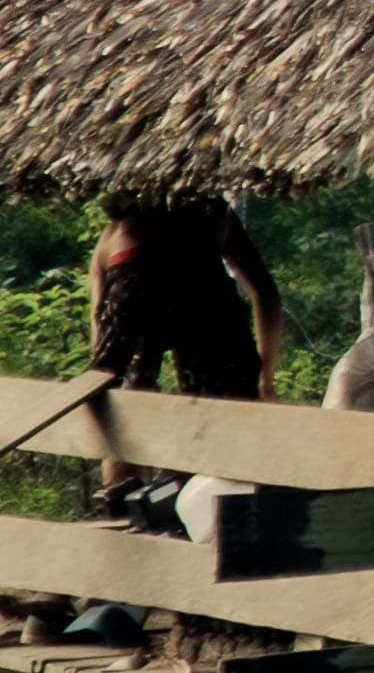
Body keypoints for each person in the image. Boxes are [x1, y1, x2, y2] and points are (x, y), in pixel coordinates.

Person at [87, 196, 285, 500]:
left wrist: (105, 375)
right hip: (192, 272)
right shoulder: (210, 213)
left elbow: (99, 325)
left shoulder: (110, 236)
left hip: (125, 269)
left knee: (125, 394)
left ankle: (125, 497)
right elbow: (266, 294)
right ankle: (208, 494)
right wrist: (264, 381)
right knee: (226, 398)